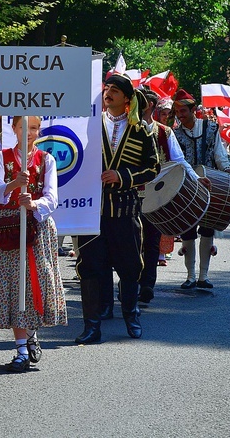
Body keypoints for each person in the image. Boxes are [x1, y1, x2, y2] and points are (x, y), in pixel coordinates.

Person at [75, 76, 159, 344]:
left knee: (130, 265)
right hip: (91, 209)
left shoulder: (142, 131)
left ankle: (131, 315)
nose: (108, 93)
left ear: (127, 98)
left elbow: (153, 168)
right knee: (89, 266)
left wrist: (122, 176)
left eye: (115, 90)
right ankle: (92, 326)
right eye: (106, 89)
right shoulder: (87, 124)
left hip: (124, 210)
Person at [0, 116, 67, 371]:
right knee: (14, 286)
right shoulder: (3, 157)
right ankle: (20, 348)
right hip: (10, 226)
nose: (29, 133)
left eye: (33, 128)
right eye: (23, 127)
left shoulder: (47, 159)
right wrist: (13, 184)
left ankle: (31, 333)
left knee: (37, 282)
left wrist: (34, 204)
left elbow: (52, 197)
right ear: (14, 129)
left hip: (37, 228)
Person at [171, 89, 230, 289]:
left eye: (183, 111)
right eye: (177, 111)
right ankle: (190, 276)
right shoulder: (175, 134)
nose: (180, 115)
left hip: (210, 185)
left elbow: (219, 154)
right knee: (187, 232)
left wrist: (227, 169)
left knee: (207, 228)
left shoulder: (211, 129)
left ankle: (203, 276)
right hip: (186, 187)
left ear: (193, 110)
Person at [136, 89, 201, 303]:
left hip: (157, 196)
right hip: (129, 194)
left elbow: (179, 160)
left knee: (152, 241)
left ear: (150, 106)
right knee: (131, 241)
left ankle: (147, 285)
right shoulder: (127, 129)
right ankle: (131, 282)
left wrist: (196, 180)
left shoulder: (164, 132)